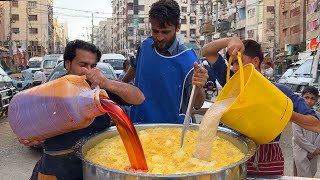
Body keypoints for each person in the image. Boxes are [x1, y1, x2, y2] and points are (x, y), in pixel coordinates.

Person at [19, 40, 145, 180]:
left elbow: (138, 98)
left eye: (93, 66)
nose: (88, 71)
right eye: (83, 65)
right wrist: (29, 137)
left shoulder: (100, 87)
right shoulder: (48, 93)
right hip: (58, 167)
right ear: (68, 64)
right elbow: (25, 125)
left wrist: (106, 82)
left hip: (96, 164)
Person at [201, 37, 319, 176]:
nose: (235, 68)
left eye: (239, 62)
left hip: (268, 159)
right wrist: (230, 41)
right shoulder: (232, 86)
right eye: (232, 63)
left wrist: (284, 112)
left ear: (255, 62)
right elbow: (207, 51)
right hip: (235, 154)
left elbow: (315, 125)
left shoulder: (278, 92)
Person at [122, 0, 208, 124]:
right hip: (138, 123)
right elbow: (136, 66)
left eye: (165, 32)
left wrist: (199, 87)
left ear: (178, 27)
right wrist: (122, 83)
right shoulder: (145, 46)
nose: (159, 37)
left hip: (172, 131)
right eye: (155, 31)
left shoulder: (189, 60)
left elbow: (198, 104)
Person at [293, 86, 320, 177]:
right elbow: (298, 137)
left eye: (312, 99)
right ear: (301, 98)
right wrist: (312, 149)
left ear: (316, 100)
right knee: (302, 175)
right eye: (306, 98)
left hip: (315, 152)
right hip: (301, 150)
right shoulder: (297, 115)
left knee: (312, 173)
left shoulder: (317, 115)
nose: (309, 101)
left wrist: (315, 150)